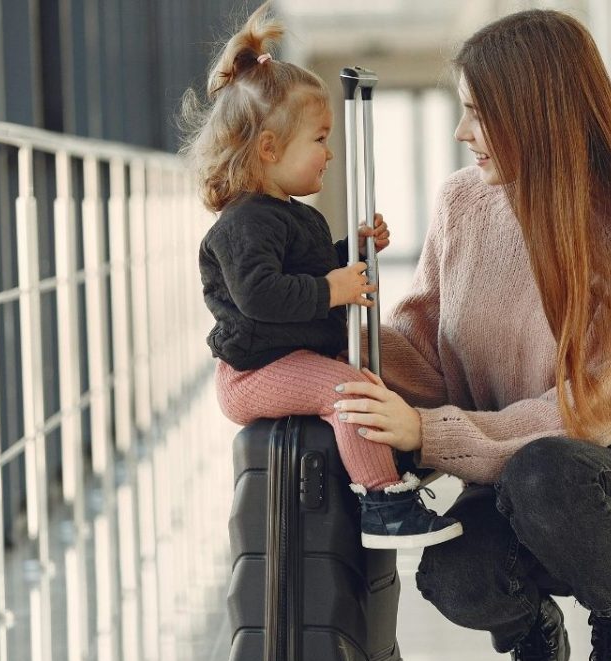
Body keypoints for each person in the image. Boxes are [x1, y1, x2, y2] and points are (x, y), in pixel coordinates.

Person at [332, 9, 611, 661]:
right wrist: (338, 315)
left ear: (535, 112)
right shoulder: (461, 203)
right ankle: (535, 640)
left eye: (478, 113)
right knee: (451, 572)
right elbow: (425, 355)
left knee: (546, 472)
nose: (462, 133)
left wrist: (427, 434)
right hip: (508, 477)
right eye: (461, 111)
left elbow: (583, 419)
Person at [181, 2, 462, 550]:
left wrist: (348, 251)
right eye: (319, 139)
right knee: (348, 391)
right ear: (268, 149)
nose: (329, 154)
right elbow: (262, 295)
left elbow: (303, 269)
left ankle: (396, 455)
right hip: (253, 373)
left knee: (369, 378)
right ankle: (382, 500)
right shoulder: (244, 222)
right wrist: (335, 287)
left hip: (290, 356)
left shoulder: (292, 213)